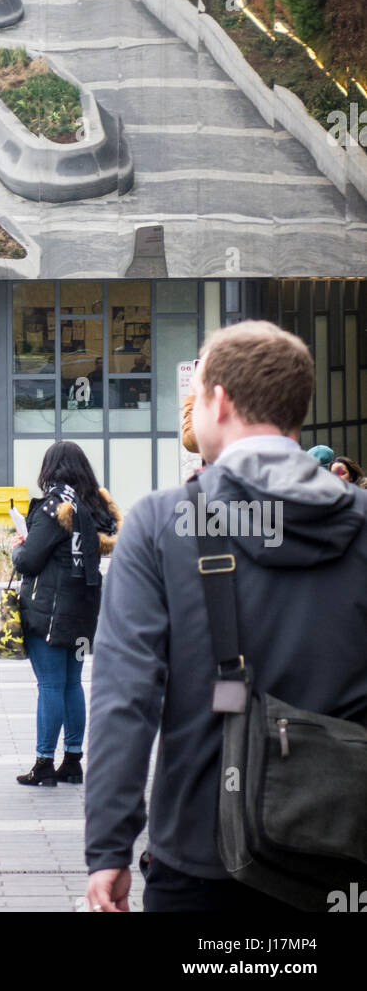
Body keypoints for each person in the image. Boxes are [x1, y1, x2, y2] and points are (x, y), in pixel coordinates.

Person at [84, 320, 367, 913]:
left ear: (220, 400)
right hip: (345, 858)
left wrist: (109, 847)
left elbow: (124, 698)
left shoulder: (161, 525)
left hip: (201, 855)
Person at [11, 442, 121, 788]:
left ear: (51, 469)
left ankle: (44, 763)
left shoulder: (53, 507)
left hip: (49, 612)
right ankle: (72, 761)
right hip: (83, 610)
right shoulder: (93, 505)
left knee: (50, 685)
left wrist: (18, 549)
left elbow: (30, 560)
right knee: (72, 683)